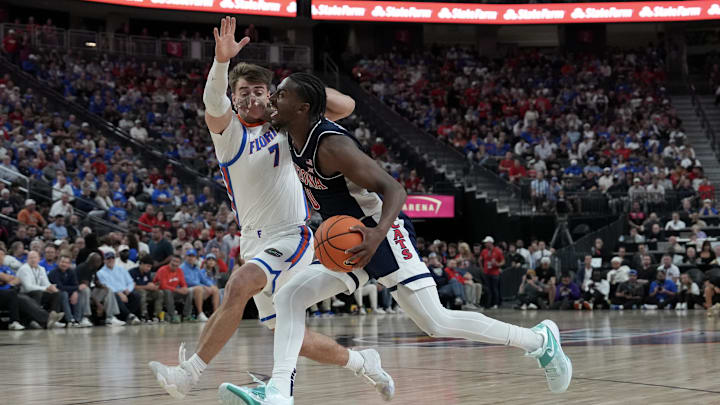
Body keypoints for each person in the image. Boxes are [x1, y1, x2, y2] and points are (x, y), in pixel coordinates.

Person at [228, 69, 571, 404]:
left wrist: (378, 235)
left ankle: (538, 340)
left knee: (436, 321)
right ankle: (278, 392)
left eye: (281, 94)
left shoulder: (331, 145)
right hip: (347, 239)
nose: (272, 98)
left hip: (380, 230)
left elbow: (394, 188)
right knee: (289, 297)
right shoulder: (288, 130)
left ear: (303, 108)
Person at [150, 18, 395, 404]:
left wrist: (297, 89)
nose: (251, 98)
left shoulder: (290, 124)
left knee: (239, 285)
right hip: (254, 239)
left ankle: (190, 375)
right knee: (290, 335)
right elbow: (212, 102)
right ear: (235, 98)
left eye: (260, 91)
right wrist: (220, 62)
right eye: (243, 92)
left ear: (271, 95)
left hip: (291, 235)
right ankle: (363, 362)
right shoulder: (229, 134)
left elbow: (345, 106)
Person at [17, 251, 65, 328]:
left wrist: (51, 287)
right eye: (30, 258)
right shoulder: (24, 269)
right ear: (27, 259)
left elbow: (46, 283)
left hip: (39, 292)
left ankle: (53, 319)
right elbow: (28, 287)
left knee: (56, 293)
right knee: (37, 293)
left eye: (35, 257)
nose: (33, 260)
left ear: (39, 259)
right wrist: (45, 288)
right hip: (25, 294)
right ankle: (36, 320)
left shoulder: (41, 269)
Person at [97, 251, 141, 325]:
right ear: (104, 260)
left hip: (125, 291)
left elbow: (130, 282)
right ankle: (129, 316)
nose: (111, 260)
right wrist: (119, 293)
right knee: (115, 295)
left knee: (136, 295)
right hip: (113, 293)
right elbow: (106, 286)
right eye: (108, 258)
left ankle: (127, 316)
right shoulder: (100, 273)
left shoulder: (121, 269)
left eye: (112, 258)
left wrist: (128, 290)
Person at [48, 254, 93, 327]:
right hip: (55, 293)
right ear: (58, 262)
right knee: (64, 294)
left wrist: (75, 291)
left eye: (66, 263)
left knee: (79, 293)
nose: (64, 264)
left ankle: (78, 320)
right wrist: (75, 289)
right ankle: (70, 320)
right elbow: (60, 287)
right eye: (62, 262)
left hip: (68, 291)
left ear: (69, 264)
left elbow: (75, 285)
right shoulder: (53, 273)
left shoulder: (71, 271)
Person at [180, 249, 220, 322]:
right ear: (186, 257)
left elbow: (204, 279)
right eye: (189, 256)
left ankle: (216, 313)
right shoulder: (182, 268)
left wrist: (211, 286)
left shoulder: (196, 268)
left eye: (193, 256)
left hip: (198, 288)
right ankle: (200, 314)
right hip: (186, 289)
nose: (191, 258)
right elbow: (188, 281)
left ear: (195, 258)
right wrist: (203, 286)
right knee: (199, 288)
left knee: (215, 289)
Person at [153, 255, 194, 323]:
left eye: (177, 262)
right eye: (173, 261)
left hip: (173, 291)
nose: (175, 263)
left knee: (189, 291)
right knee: (168, 291)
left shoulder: (179, 271)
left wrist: (184, 288)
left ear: (180, 264)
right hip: (161, 292)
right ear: (170, 261)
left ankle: (186, 316)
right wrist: (178, 290)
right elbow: (163, 286)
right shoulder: (162, 270)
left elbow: (183, 283)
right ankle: (172, 315)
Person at [130, 255, 165, 322]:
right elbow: (132, 286)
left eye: (150, 267)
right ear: (142, 264)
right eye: (148, 266)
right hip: (135, 293)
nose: (149, 269)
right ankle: (144, 314)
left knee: (159, 293)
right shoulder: (132, 272)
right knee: (142, 292)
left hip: (146, 292)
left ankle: (157, 315)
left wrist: (154, 286)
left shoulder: (147, 273)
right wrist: (146, 287)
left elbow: (149, 283)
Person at [480, 236, 505, 309]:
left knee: (495, 289)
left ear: (490, 243)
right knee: (488, 289)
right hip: (486, 273)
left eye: (486, 243)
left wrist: (497, 264)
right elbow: (480, 259)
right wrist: (482, 268)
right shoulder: (484, 251)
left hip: (495, 273)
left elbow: (503, 261)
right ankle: (488, 304)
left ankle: (496, 304)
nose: (485, 244)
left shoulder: (497, 251)